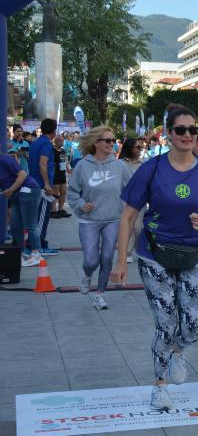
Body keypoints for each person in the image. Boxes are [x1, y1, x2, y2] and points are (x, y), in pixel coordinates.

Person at [111, 104, 198, 410]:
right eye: (181, 130)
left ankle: (178, 350)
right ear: (169, 134)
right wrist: (121, 262)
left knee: (194, 324)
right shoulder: (151, 169)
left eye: (193, 130)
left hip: (195, 254)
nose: (188, 135)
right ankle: (159, 385)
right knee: (166, 322)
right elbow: (127, 217)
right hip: (154, 254)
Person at [67, 126, 134, 310]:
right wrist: (81, 204)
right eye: (108, 140)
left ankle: (100, 294)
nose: (112, 143)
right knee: (91, 260)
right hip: (89, 220)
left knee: (106, 258)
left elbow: (135, 186)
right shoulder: (83, 165)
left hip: (113, 219)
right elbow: (72, 192)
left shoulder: (120, 166)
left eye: (113, 140)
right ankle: (87, 275)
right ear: (96, 143)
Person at [0, 152, 42, 267]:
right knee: (15, 225)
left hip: (28, 190)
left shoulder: (4, 159)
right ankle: (21, 253)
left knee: (30, 224)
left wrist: (10, 190)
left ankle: (37, 254)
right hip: (16, 194)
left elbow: (23, 174)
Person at [28, 118, 59, 257]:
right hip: (41, 186)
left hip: (35, 183)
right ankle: (37, 247)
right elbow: (43, 163)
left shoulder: (35, 143)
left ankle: (40, 244)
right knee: (42, 217)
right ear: (53, 130)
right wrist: (46, 184)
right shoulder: (46, 144)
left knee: (38, 217)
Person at [51, 134, 70, 218]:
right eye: (59, 141)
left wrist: (69, 169)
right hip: (55, 174)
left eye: (62, 141)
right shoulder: (52, 151)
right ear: (55, 141)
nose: (61, 142)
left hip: (62, 173)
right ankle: (52, 210)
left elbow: (65, 161)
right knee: (55, 192)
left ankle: (61, 209)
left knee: (63, 192)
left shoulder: (63, 151)